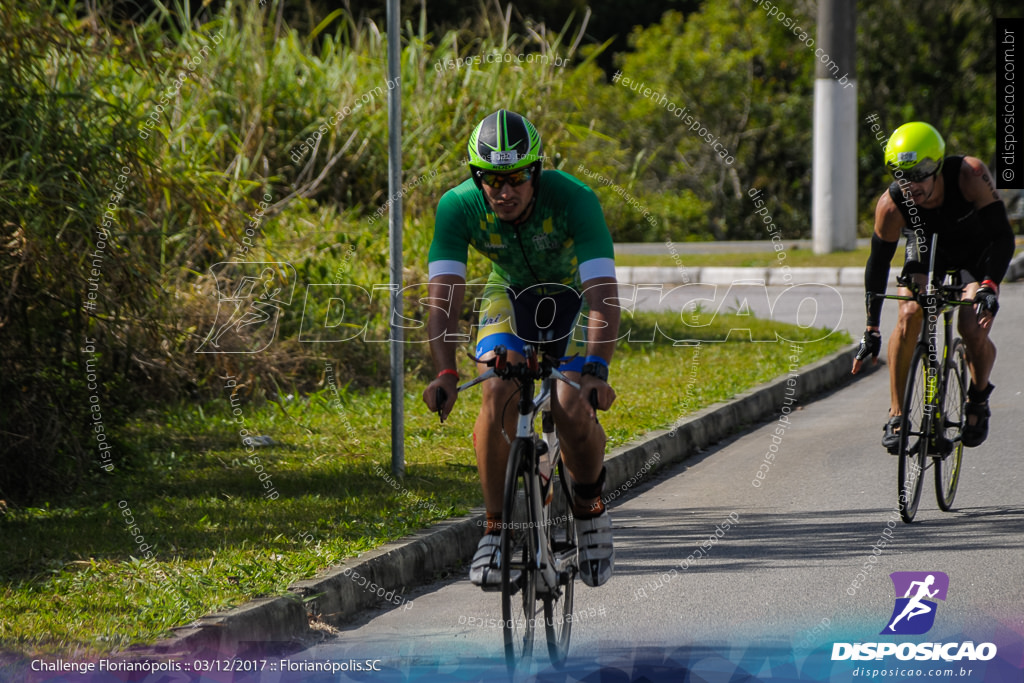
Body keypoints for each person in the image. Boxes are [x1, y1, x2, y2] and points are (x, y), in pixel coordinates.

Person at [421, 109, 619, 588]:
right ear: (476, 177)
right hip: (508, 293)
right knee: (494, 387)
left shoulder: (575, 199)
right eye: (491, 180)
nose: (503, 192)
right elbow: (443, 300)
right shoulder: (458, 206)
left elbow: (602, 297)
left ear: (536, 172)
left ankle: (590, 508)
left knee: (571, 409)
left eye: (516, 179)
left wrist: (596, 369)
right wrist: (446, 373)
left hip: (570, 298)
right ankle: (496, 530)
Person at [852, 122, 1015, 452]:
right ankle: (897, 414)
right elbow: (878, 263)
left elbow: (1003, 236)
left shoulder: (969, 174)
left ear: (937, 164)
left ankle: (978, 396)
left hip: (976, 252)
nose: (911, 184)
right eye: (901, 174)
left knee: (971, 324)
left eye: (920, 173)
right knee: (910, 312)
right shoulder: (892, 204)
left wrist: (989, 286)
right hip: (928, 252)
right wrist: (871, 328)